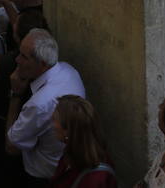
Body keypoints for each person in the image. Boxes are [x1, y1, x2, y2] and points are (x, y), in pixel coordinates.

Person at [6, 28, 86, 184]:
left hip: (42, 178)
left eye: (24, 57)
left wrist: (15, 96)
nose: (17, 60)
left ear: (41, 64)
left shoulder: (39, 104)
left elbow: (11, 146)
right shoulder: (69, 70)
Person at [50, 95, 115, 188]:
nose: (52, 123)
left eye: (55, 119)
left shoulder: (95, 180)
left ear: (68, 131)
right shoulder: (72, 154)